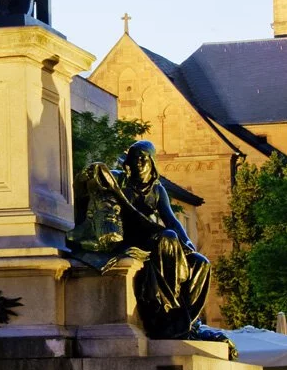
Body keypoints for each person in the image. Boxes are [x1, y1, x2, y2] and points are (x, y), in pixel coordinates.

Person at [74, 141, 211, 338]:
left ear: (152, 161)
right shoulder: (120, 180)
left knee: (201, 263)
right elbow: (97, 177)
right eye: (134, 157)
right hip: (127, 238)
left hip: (150, 236)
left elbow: (171, 219)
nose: (138, 162)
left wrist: (188, 243)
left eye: (143, 158)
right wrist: (91, 173)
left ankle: (184, 319)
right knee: (167, 239)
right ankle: (165, 310)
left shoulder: (157, 190)